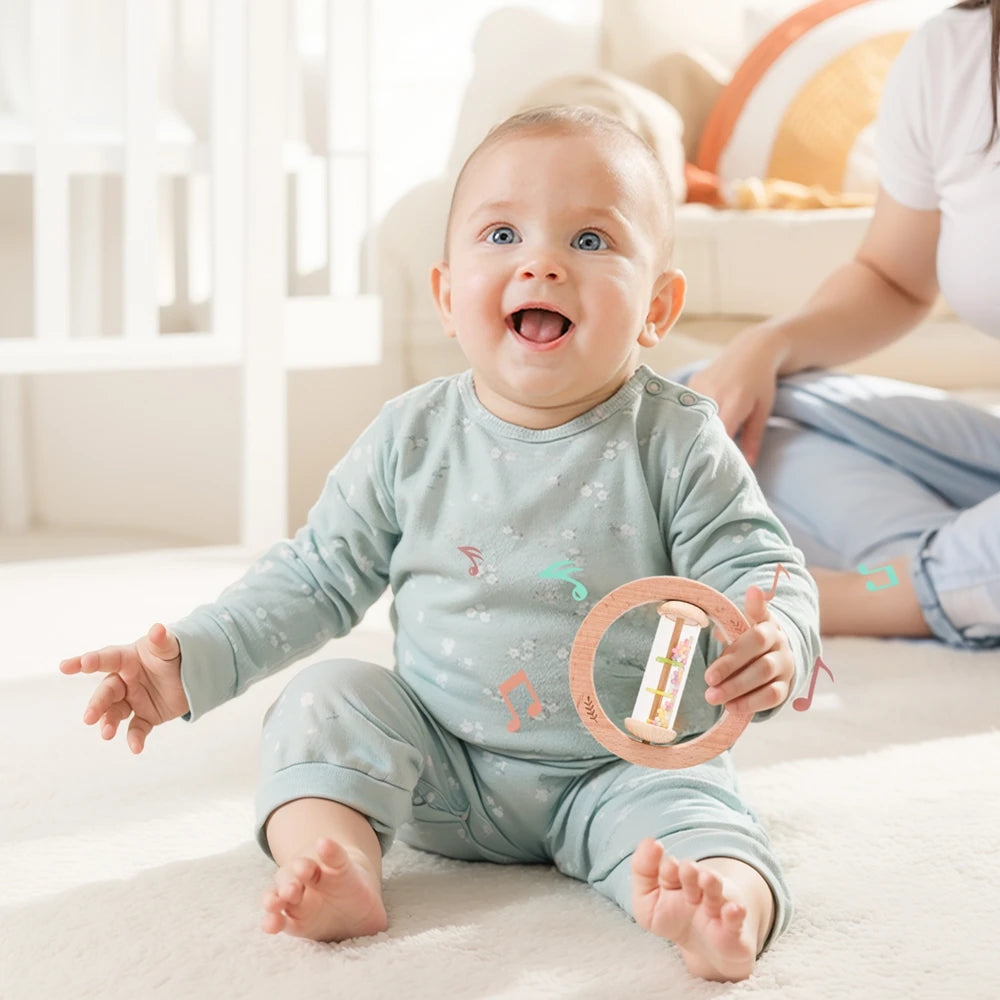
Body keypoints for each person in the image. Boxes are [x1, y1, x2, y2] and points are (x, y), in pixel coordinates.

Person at [59, 107, 821, 983]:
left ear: (656, 307)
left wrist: (775, 643)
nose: (541, 262)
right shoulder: (409, 436)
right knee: (326, 701)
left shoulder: (677, 440)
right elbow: (316, 575)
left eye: (589, 239)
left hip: (625, 767)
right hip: (438, 765)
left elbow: (758, 567)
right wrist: (191, 661)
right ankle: (336, 858)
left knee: (702, 817)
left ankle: (720, 910)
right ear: (446, 294)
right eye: (503, 233)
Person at [684, 0, 1000, 649]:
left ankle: (879, 594)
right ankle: (936, 567)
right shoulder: (953, 54)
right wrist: (767, 345)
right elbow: (894, 276)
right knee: (720, 416)